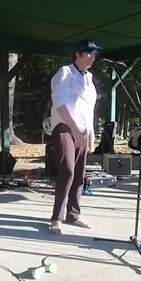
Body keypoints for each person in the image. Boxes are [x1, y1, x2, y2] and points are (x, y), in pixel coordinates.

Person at [48, 39, 100, 235]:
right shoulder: (65, 72)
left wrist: (91, 133)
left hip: (83, 130)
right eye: (89, 53)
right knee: (68, 171)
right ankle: (56, 218)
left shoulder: (89, 78)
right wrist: (75, 129)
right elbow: (60, 103)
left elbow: (89, 109)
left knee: (79, 174)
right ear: (78, 54)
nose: (93, 57)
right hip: (64, 127)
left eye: (94, 54)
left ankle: (74, 214)